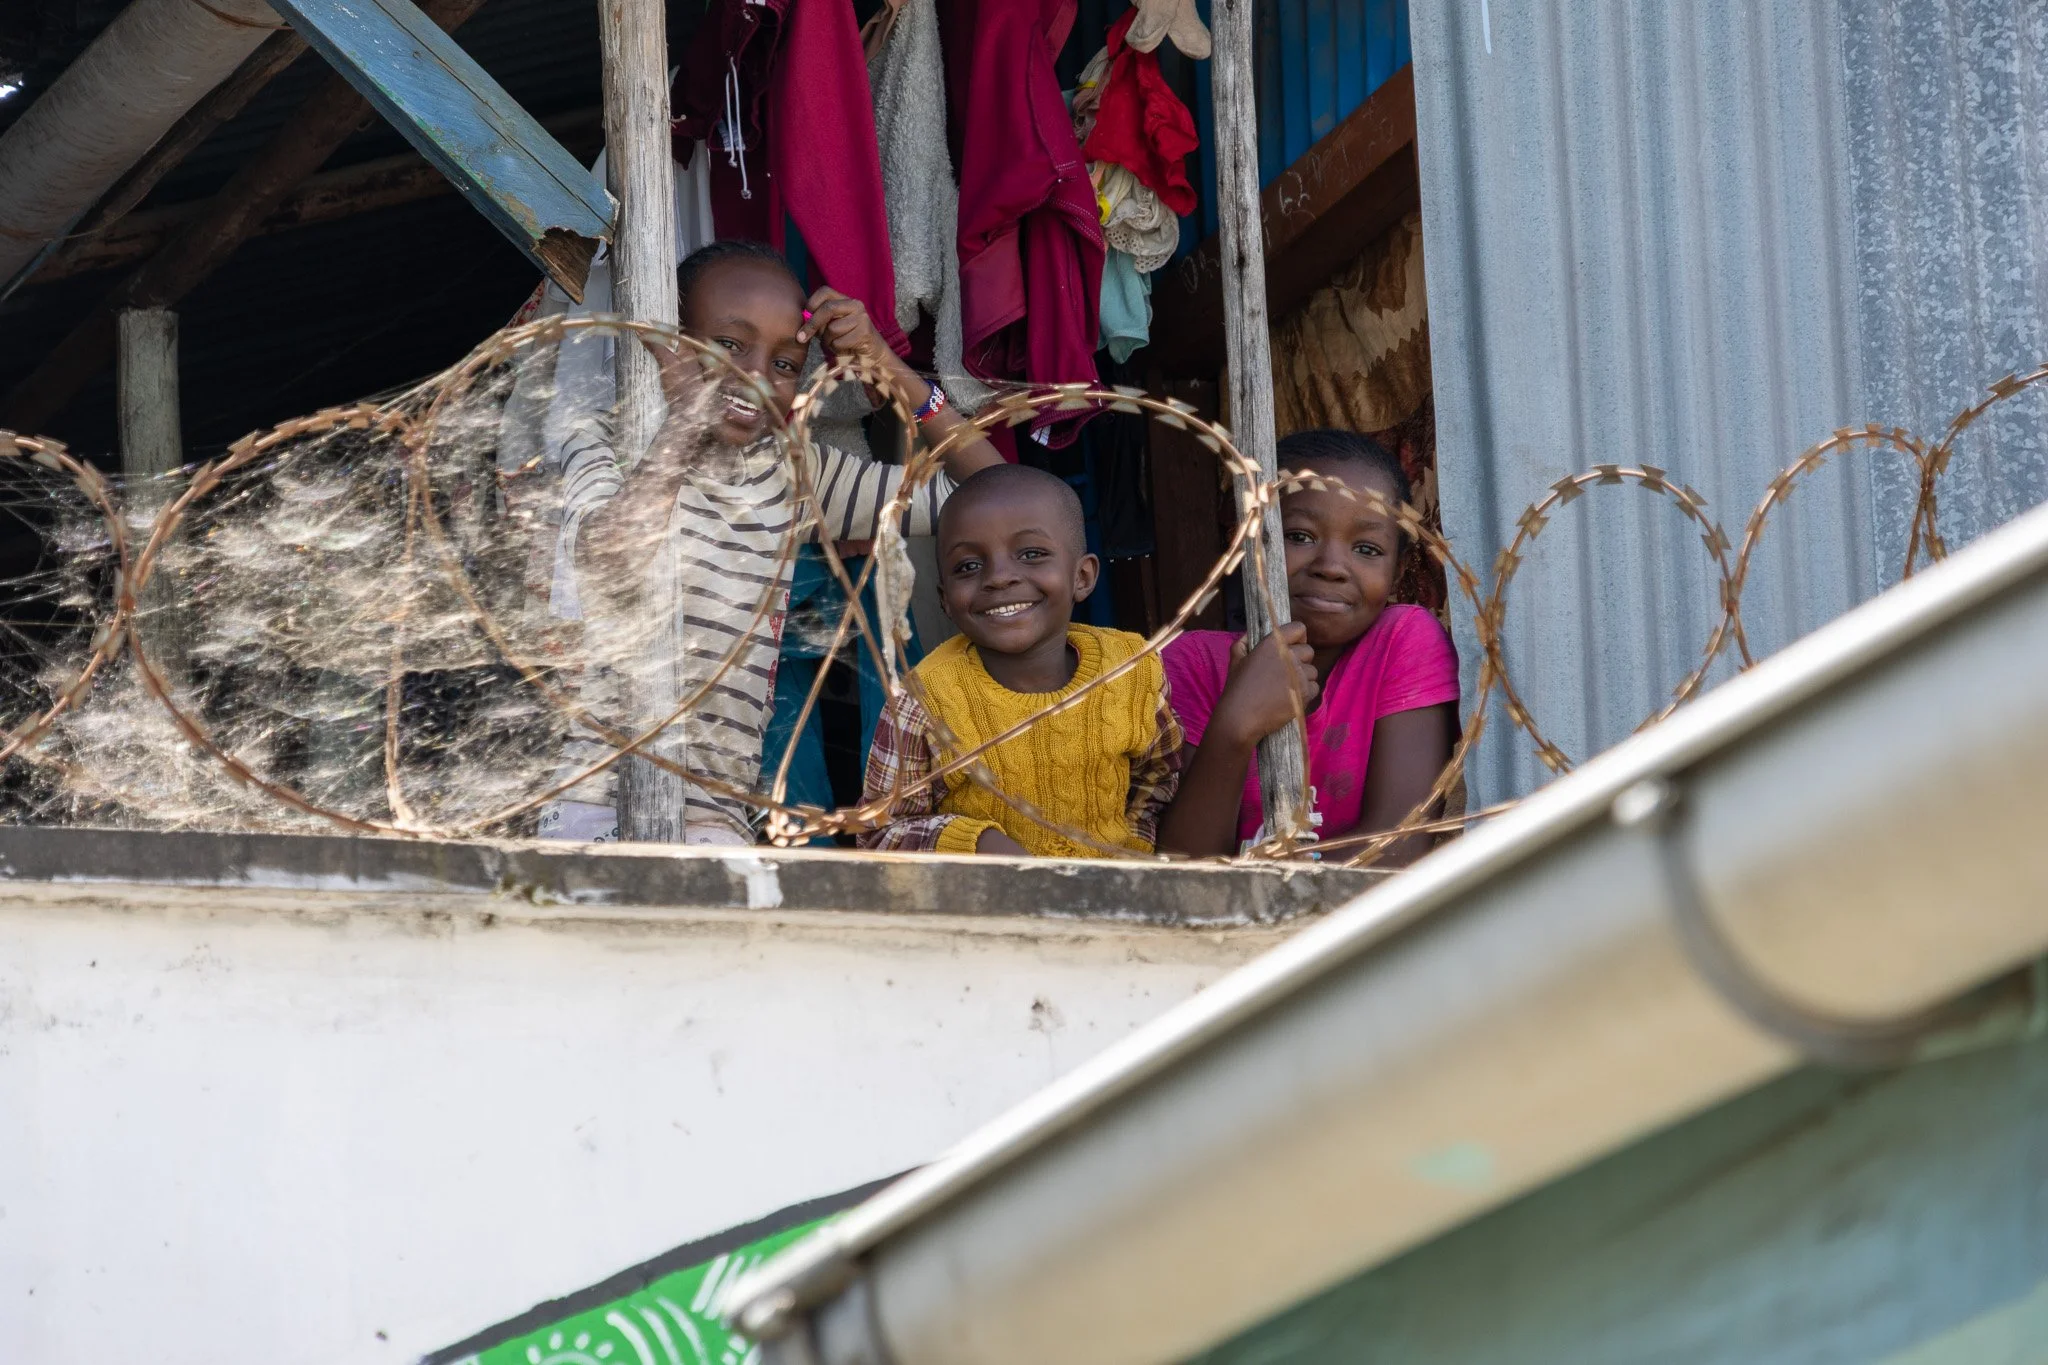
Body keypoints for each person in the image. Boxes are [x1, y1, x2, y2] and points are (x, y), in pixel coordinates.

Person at [545, 240, 1006, 845]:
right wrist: (682, 427)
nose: (755, 376)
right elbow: (608, 562)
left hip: (717, 814)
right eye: (728, 346)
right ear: (670, 344)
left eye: (786, 364)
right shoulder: (602, 442)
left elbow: (994, 495)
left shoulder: (793, 474)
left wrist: (888, 366)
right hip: (592, 800)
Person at [1155, 429, 1458, 863]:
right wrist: (1236, 724)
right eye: (1299, 536)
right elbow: (1181, 867)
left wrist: (1279, 887)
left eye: (1367, 548)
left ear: (1397, 571)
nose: (1332, 567)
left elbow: (1400, 843)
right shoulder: (1192, 663)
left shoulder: (1403, 641)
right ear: (1245, 542)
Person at [858, 463, 1182, 856]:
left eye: (1031, 554)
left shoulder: (1131, 669)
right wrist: (977, 845)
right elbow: (881, 833)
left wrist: (1129, 852)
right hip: (989, 910)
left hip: (1109, 903)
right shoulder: (923, 700)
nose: (998, 577)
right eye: (969, 566)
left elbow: (1157, 781)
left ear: (1082, 576)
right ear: (946, 599)